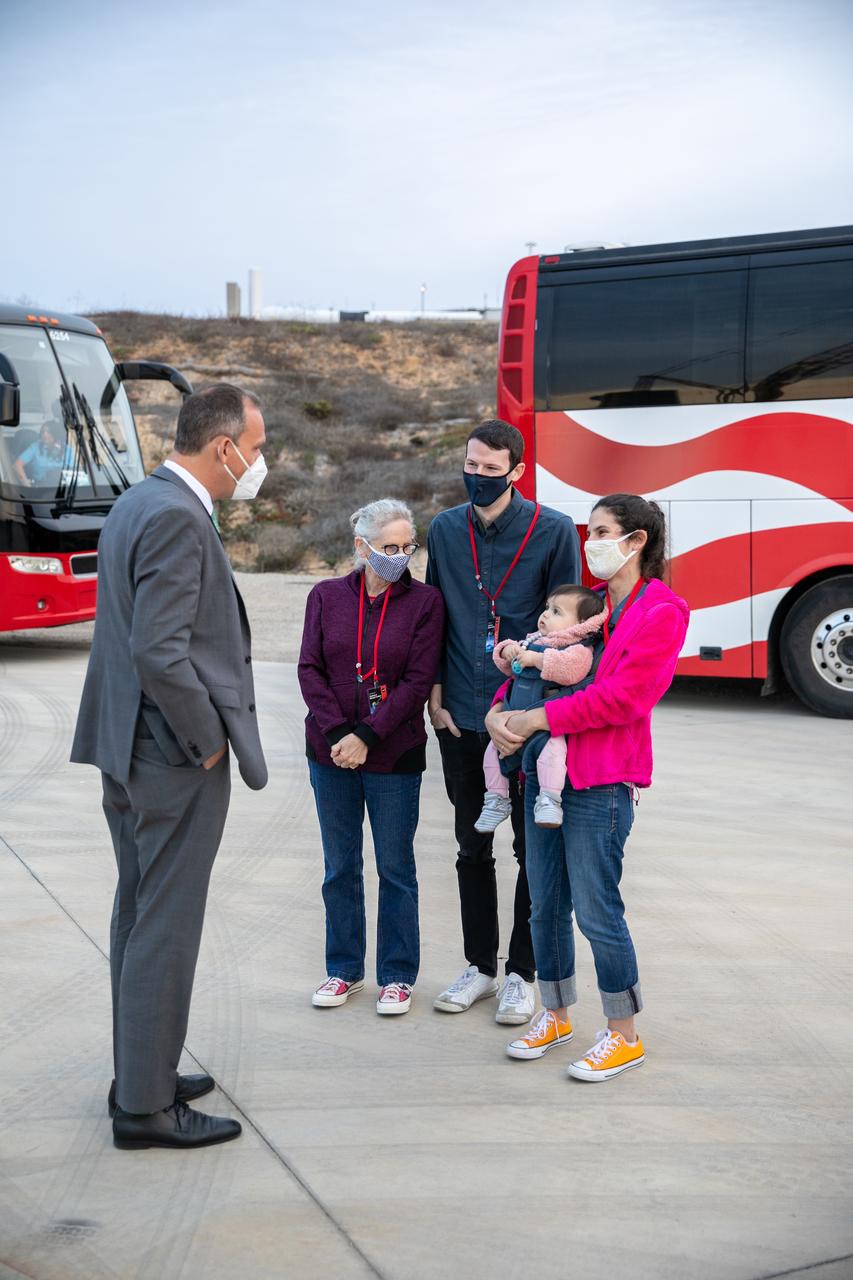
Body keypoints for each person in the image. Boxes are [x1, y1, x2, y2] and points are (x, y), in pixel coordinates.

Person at [70, 383, 269, 1149]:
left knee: (140, 911)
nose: (258, 463)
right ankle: (146, 1108)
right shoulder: (178, 518)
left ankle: (141, 1070)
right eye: (253, 448)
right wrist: (206, 741)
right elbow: (160, 650)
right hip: (169, 754)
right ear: (222, 448)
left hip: (127, 743)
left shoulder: (140, 499)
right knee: (165, 924)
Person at [485, 494, 689, 1080]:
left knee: (598, 910)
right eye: (589, 530)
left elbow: (626, 697)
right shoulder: (589, 607)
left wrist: (536, 721)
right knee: (545, 903)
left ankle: (623, 1033)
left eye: (601, 531)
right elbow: (535, 660)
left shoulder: (662, 611)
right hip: (541, 775)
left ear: (636, 541)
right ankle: (555, 1013)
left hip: (600, 783)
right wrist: (502, 712)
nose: (589, 543)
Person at [426, 419, 581, 1025]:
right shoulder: (443, 529)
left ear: (516, 470)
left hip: (524, 719)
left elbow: (567, 623)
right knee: (471, 846)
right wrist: (436, 698)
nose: (479, 477)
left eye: (492, 469)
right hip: (460, 714)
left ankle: (522, 972)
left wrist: (529, 714)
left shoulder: (552, 531)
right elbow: (435, 615)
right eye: (472, 465)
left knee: (530, 850)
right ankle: (479, 967)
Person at [298, 499, 444, 1016]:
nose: (400, 556)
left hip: (394, 754)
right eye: (389, 547)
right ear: (362, 548)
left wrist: (367, 735)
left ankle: (398, 975)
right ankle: (343, 970)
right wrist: (340, 732)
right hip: (330, 752)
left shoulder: (425, 603)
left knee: (396, 867)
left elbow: (416, 682)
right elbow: (310, 669)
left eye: (408, 547)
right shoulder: (326, 596)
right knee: (340, 867)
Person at [475, 585, 606, 833]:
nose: (545, 615)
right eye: (547, 608)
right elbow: (506, 665)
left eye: (556, 612)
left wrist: (537, 659)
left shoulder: (578, 648)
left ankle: (549, 799)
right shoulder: (534, 639)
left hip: (547, 726)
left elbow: (572, 670)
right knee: (492, 751)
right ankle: (496, 799)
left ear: (579, 624)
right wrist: (508, 651)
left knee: (554, 753)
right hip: (514, 718)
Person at [13, 419, 73, 486]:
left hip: (61, 489)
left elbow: (73, 472)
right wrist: (26, 484)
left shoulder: (67, 450)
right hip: (41, 489)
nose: (45, 434)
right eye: (43, 432)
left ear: (56, 433)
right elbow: (17, 465)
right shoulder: (35, 447)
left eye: (48, 432)